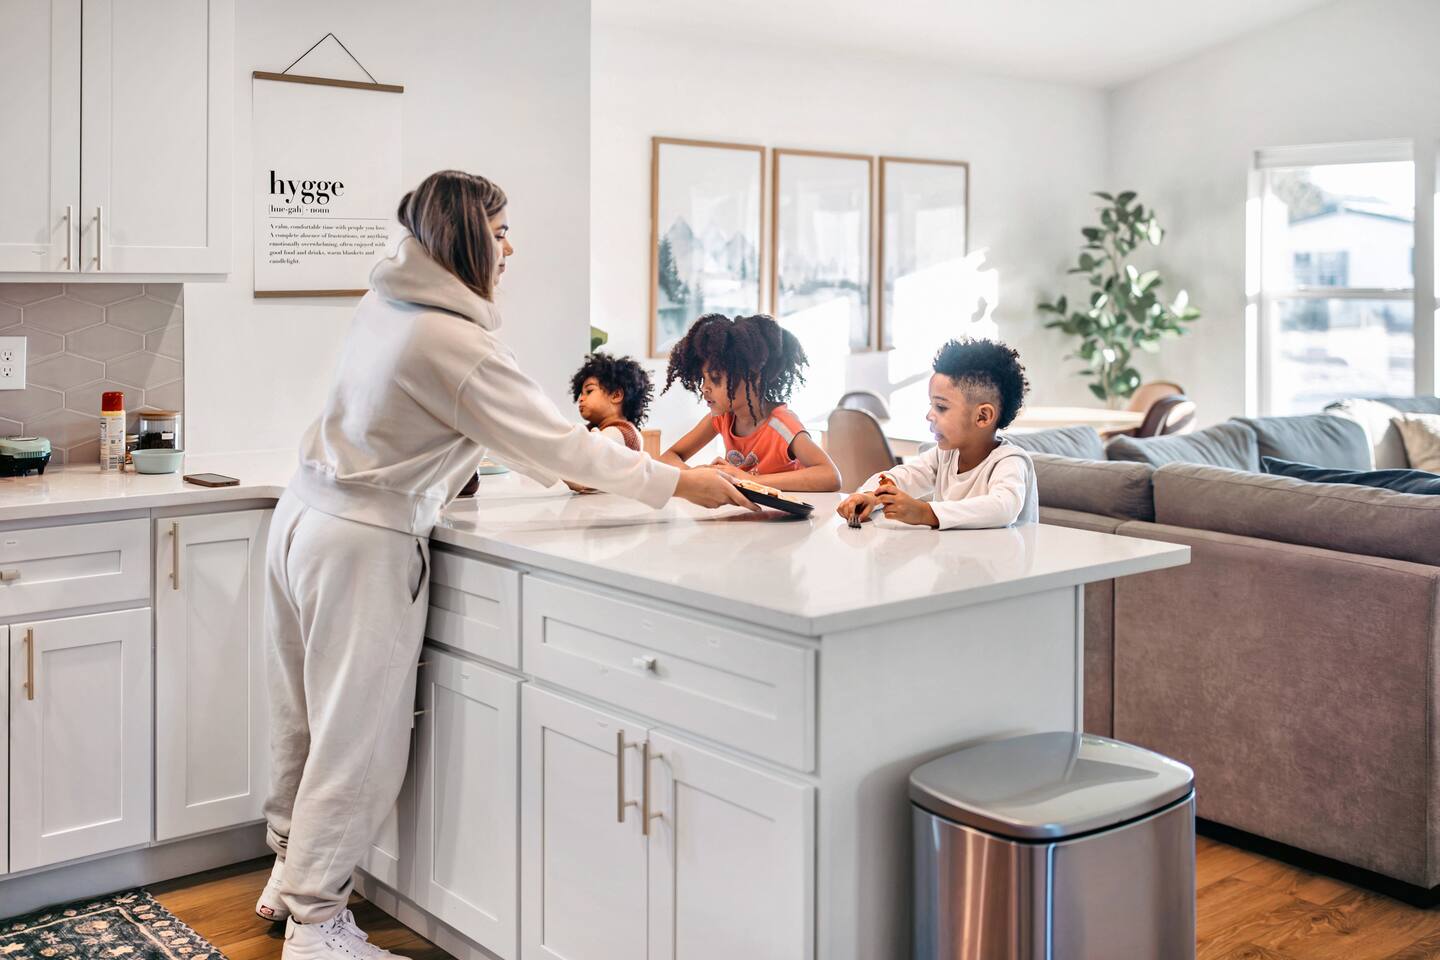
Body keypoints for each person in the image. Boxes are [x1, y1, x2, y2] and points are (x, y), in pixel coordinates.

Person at [258, 170, 754, 960]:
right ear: (466, 240)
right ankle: (316, 927)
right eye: (499, 232)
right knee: (357, 739)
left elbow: (478, 433)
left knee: (304, 717)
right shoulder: (454, 341)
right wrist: (682, 484)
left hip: (302, 517)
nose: (510, 248)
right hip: (360, 542)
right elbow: (555, 443)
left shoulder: (385, 304)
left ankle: (287, 873)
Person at [837, 338, 1038, 529]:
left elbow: (1003, 508)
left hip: (1005, 554)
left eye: (941, 407)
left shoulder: (1009, 461)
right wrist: (870, 496)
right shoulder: (945, 455)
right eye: (931, 405)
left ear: (982, 416)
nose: (929, 415)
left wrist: (925, 513)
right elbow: (906, 476)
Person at [659, 313, 841, 492]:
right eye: (702, 379)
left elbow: (831, 476)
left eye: (715, 378)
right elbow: (668, 457)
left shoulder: (782, 425)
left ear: (753, 377)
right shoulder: (722, 418)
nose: (704, 388)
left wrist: (751, 480)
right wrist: (696, 475)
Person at [571, 351, 652, 451]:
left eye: (589, 391)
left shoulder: (624, 432)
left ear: (616, 395)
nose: (581, 399)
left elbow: (587, 450)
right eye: (581, 394)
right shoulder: (595, 429)